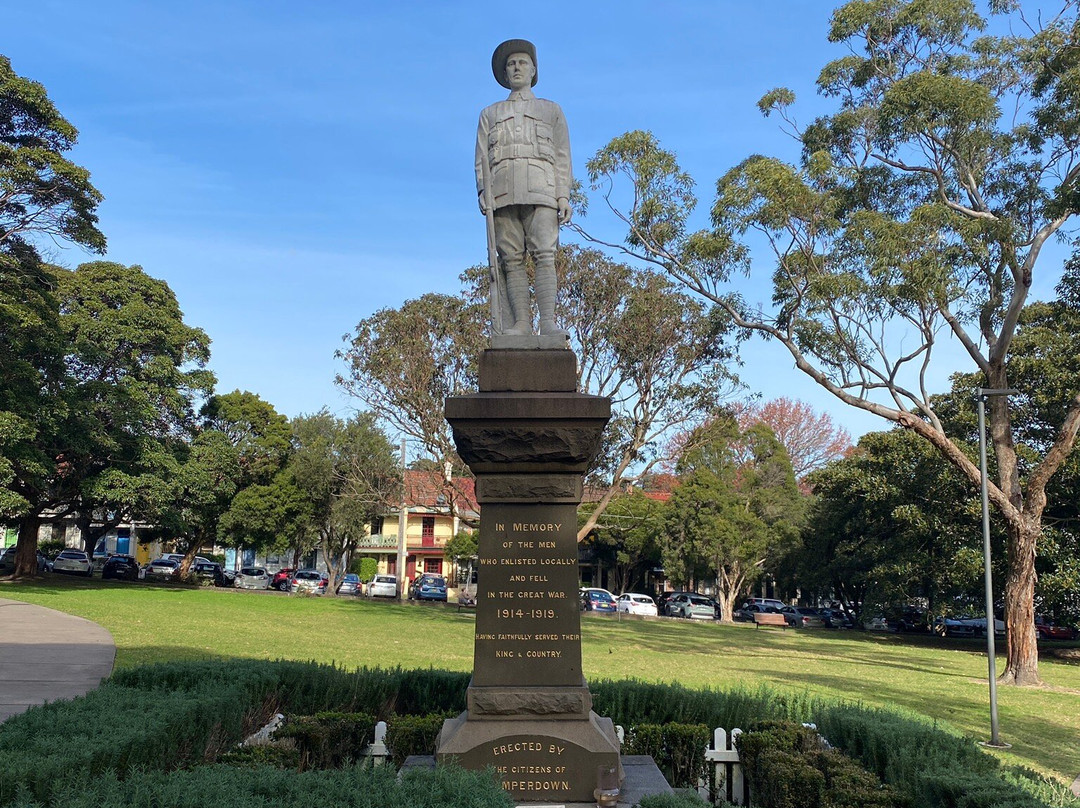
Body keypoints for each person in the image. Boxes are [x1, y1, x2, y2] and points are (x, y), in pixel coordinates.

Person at [475, 39, 571, 337]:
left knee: (544, 254)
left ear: (533, 70)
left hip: (542, 189)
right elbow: (481, 159)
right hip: (502, 193)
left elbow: (562, 155)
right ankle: (520, 324)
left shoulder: (550, 110)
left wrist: (563, 194)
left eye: (522, 63)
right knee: (511, 259)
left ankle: (548, 323)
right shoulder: (489, 114)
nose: (516, 68)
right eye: (511, 64)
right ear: (505, 73)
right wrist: (482, 192)